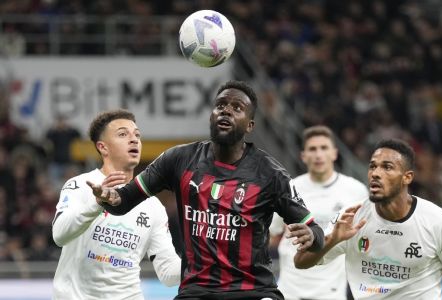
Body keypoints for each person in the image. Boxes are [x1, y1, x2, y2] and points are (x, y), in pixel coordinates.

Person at [88, 80, 325, 300]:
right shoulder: (179, 159)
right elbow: (123, 201)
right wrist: (109, 198)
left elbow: (316, 233)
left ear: (250, 125)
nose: (226, 110)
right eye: (220, 105)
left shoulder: (271, 175)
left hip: (253, 291)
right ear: (211, 116)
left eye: (237, 108)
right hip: (196, 291)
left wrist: (312, 236)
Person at [293, 138, 442, 300]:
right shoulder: (352, 217)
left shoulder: (440, 222)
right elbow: (300, 262)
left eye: (387, 167)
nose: (376, 173)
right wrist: (332, 239)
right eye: (372, 166)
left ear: (407, 177)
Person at [52, 109, 181, 300]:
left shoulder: (153, 206)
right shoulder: (79, 185)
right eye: (123, 134)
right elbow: (59, 235)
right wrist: (96, 204)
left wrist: (201, 259)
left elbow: (168, 274)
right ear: (103, 147)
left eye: (137, 135)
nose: (134, 139)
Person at [270, 125, 368, 300]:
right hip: (290, 289)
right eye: (312, 149)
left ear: (334, 153)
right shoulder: (289, 189)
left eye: (324, 148)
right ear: (303, 156)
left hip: (331, 291)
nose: (318, 154)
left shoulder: (356, 191)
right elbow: (271, 233)